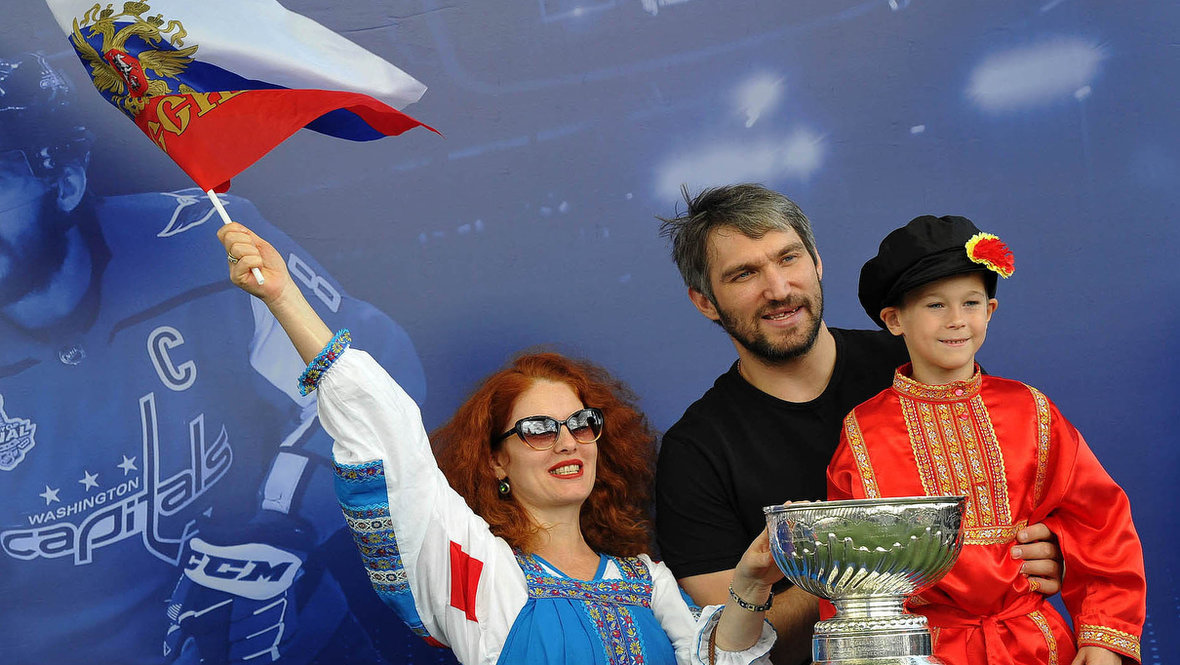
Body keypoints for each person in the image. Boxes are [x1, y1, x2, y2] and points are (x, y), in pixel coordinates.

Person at [0, 52, 437, 665]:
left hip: (297, 644)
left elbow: (371, 377)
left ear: (65, 183)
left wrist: (277, 529)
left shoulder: (206, 242)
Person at [217, 220, 785, 665]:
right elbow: (389, 440)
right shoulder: (479, 573)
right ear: (495, 461)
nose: (566, 442)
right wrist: (284, 298)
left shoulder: (646, 582)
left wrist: (750, 582)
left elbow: (719, 660)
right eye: (537, 430)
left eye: (580, 423)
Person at [653, 184, 1064, 662]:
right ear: (705, 302)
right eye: (744, 273)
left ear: (817, 262)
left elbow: (1031, 505)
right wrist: (887, 562)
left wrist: (1046, 549)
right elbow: (738, 648)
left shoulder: (920, 363)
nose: (779, 289)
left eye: (788, 258)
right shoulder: (694, 453)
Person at [826, 214, 1145, 664]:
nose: (957, 320)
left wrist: (1103, 638)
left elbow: (1100, 521)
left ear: (990, 311)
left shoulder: (1031, 409)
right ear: (895, 320)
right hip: (924, 652)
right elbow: (845, 566)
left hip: (1036, 646)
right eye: (935, 305)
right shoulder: (865, 430)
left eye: (971, 302)